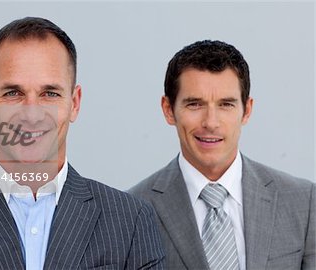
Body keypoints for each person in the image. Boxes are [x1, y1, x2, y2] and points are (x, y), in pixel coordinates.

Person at [0, 17, 165, 269]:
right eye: (13, 93)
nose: (32, 114)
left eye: (50, 93)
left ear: (74, 103)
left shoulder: (131, 220)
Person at [129, 40, 315, 270]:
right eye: (195, 104)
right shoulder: (132, 211)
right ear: (168, 110)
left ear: (246, 110)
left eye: (226, 104)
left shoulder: (304, 202)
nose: (211, 123)